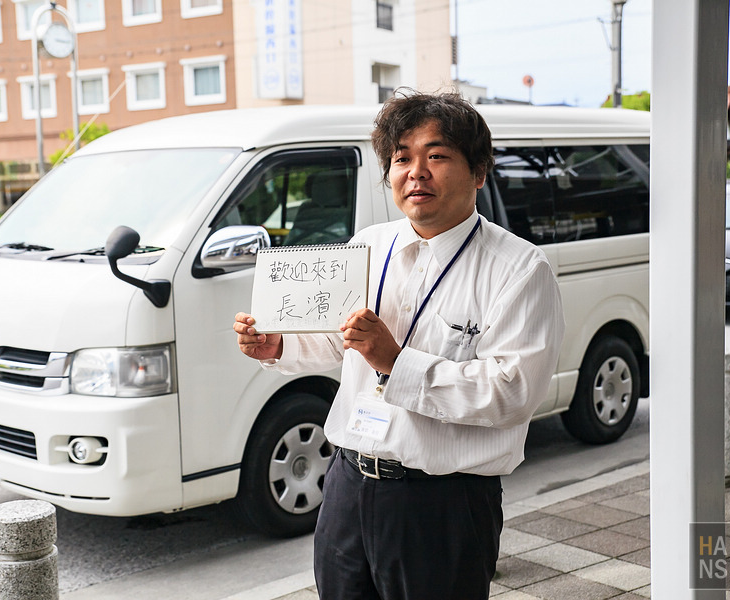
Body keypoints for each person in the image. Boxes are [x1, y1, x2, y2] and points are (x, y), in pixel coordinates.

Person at [233, 89, 564, 600]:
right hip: (346, 485)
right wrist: (278, 344)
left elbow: (512, 392)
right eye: (402, 158)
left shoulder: (519, 269)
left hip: (444, 501)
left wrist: (395, 362)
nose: (416, 171)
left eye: (436, 155)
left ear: (478, 172)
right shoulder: (369, 244)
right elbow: (339, 340)